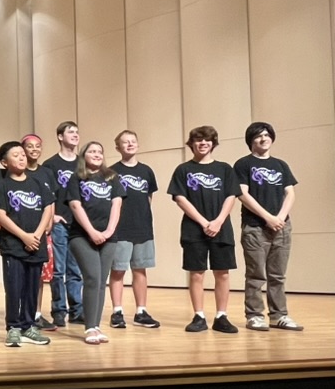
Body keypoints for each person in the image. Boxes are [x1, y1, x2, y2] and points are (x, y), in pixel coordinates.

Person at [167, 126, 240, 334]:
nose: (203, 143)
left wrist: (217, 221)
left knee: (223, 273)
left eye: (207, 140)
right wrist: (203, 222)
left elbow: (231, 196)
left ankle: (221, 316)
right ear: (192, 144)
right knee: (197, 273)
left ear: (213, 143)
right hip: (193, 229)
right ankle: (199, 315)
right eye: (198, 140)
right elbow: (180, 198)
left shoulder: (225, 169)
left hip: (221, 227)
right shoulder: (183, 169)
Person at [235, 122, 303, 332]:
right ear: (251, 141)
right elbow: (242, 194)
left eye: (266, 135)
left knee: (278, 275)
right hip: (255, 227)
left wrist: (280, 218)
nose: (263, 139)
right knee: (256, 275)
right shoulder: (243, 164)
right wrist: (267, 217)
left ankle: (279, 315)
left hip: (282, 226)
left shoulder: (280, 165)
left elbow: (290, 193)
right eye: (258, 136)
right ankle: (254, 315)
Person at [0, 141, 54, 347]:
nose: (21, 157)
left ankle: (29, 326)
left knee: (32, 287)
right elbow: (0, 215)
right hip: (14, 246)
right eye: (15, 155)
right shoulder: (2, 186)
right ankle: (13, 327)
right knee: (14, 288)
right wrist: (23, 236)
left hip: (36, 244)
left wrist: (36, 235)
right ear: (4, 162)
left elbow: (47, 208)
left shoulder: (37, 183)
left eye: (22, 154)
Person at [66, 141, 125, 345]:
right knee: (91, 277)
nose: (97, 154)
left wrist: (109, 231)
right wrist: (91, 231)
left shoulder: (112, 177)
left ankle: (96, 325)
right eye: (92, 151)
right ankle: (89, 328)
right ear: (84, 155)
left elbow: (117, 204)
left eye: (100, 151)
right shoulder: (77, 178)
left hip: (109, 236)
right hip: (82, 236)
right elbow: (75, 206)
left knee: (101, 281)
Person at [107, 130, 161, 329]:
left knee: (140, 269)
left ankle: (141, 311)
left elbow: (148, 198)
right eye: (125, 142)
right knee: (118, 270)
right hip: (120, 229)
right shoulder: (111, 172)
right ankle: (117, 311)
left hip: (143, 228)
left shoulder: (146, 171)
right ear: (118, 147)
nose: (129, 145)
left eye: (132, 141)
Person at [42, 121, 84, 326]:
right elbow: (46, 194)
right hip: (59, 222)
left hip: (79, 224)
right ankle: (59, 309)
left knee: (75, 269)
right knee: (58, 270)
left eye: (77, 132)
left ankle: (77, 310)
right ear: (60, 136)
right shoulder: (50, 165)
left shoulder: (83, 163)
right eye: (70, 132)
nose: (75, 135)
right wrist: (53, 216)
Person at [21, 133, 58, 331]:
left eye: (38, 146)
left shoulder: (46, 173)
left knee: (40, 275)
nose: (34, 149)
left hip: (43, 232)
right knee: (22, 275)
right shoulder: (18, 171)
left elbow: (50, 201)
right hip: (22, 230)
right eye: (30, 146)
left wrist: (49, 222)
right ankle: (22, 314)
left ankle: (36, 313)